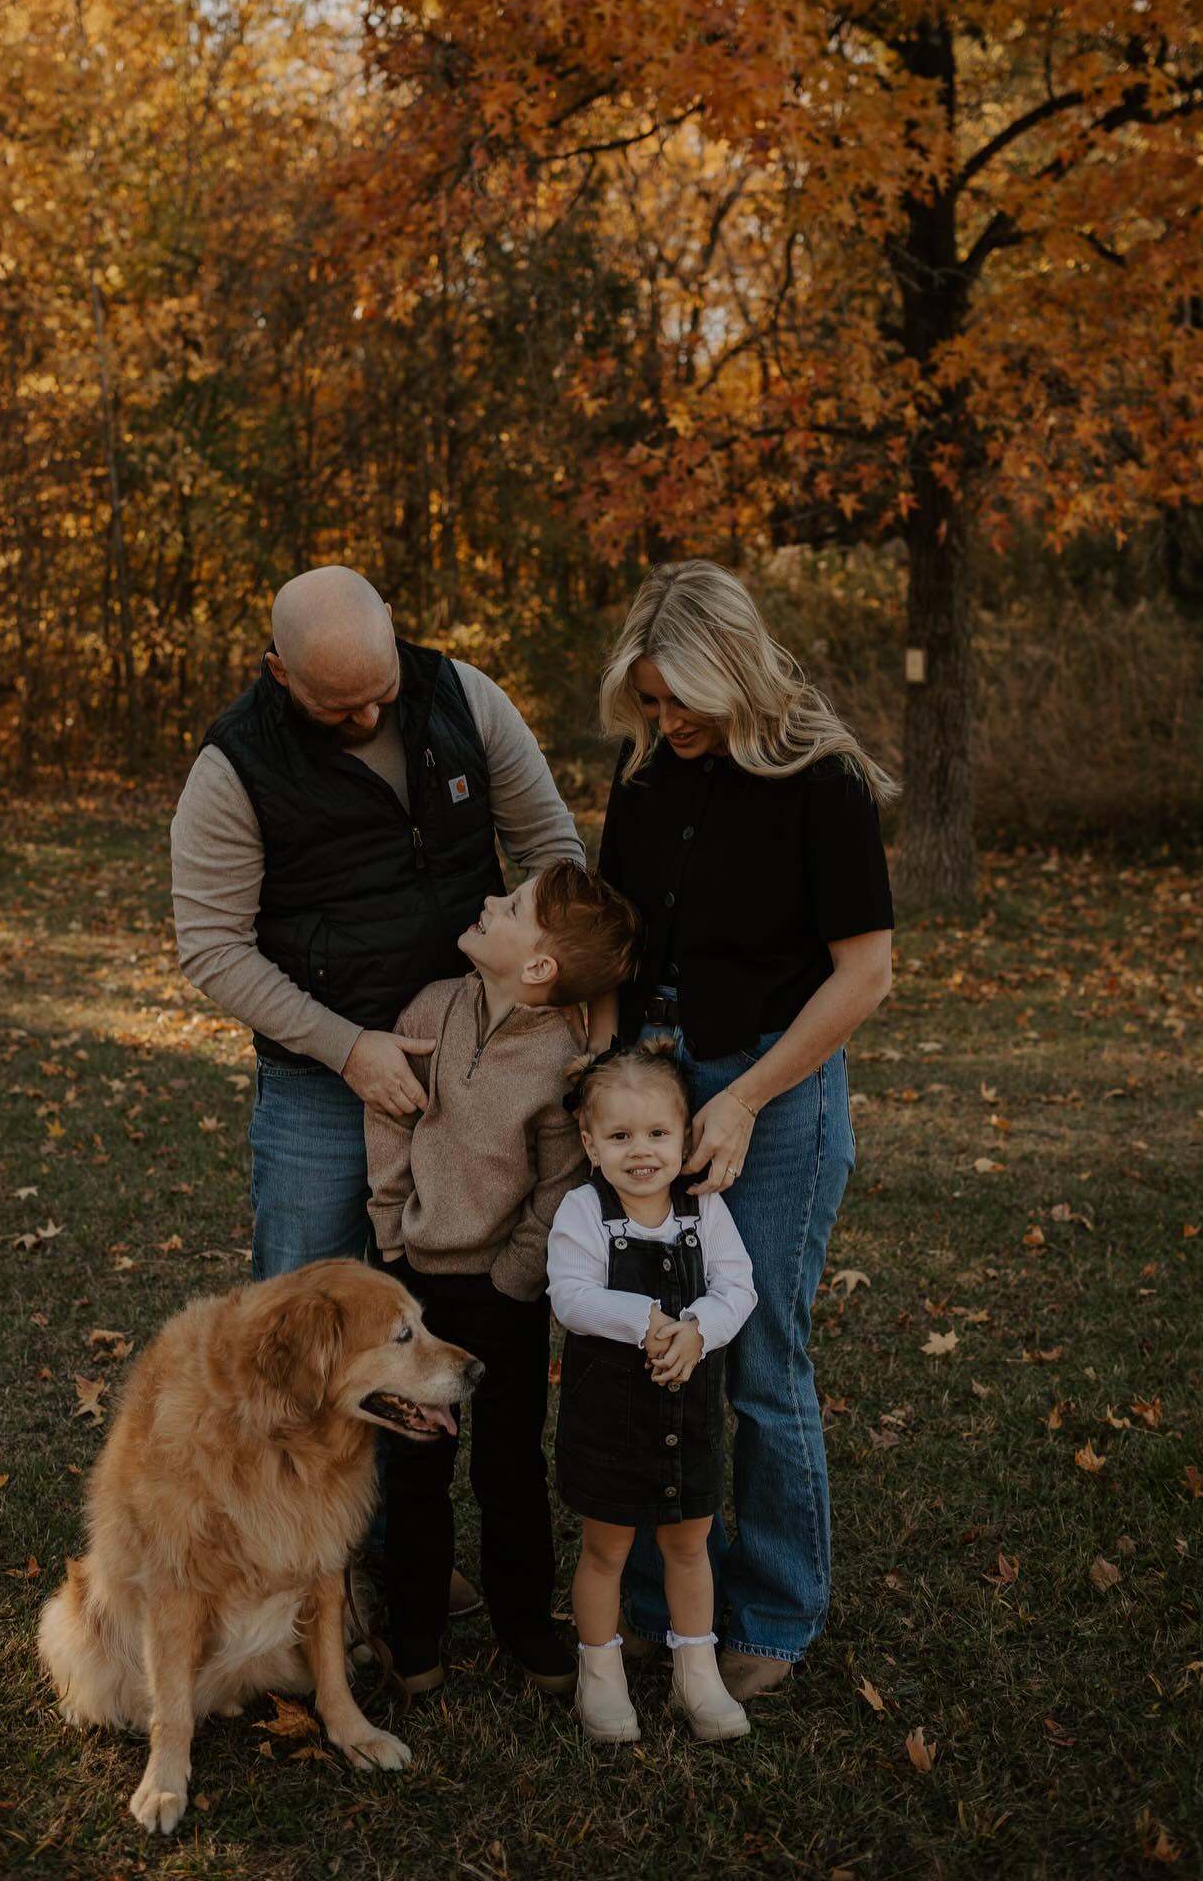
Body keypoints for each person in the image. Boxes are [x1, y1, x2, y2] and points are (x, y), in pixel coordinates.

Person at [589, 558, 895, 1700]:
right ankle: (667, 1603)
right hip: (655, 1083)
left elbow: (864, 975)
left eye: (684, 703)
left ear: (739, 672)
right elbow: (621, 946)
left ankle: (775, 1607)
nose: (666, 723)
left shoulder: (823, 777)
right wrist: (614, 1084)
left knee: (756, 1354)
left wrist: (749, 1095)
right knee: (655, 1344)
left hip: (776, 1086)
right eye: (652, 701)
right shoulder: (644, 774)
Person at [171, 565, 584, 1282]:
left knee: (450, 1312)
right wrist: (349, 1048)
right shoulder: (235, 765)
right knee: (307, 1313)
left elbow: (552, 855)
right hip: (320, 1085)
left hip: (474, 1062)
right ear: (280, 670)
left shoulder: (465, 698)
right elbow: (212, 947)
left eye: (380, 694)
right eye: (338, 708)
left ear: (391, 624)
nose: (366, 719)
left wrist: (546, 992)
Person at [365, 862, 642, 1697]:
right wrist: (390, 1236)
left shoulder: (560, 1057)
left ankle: (526, 1629)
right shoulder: (427, 1010)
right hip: (417, 1291)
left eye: (512, 905)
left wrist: (516, 1276)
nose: (488, 899)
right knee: (414, 1469)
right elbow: (388, 1122)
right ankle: (414, 1638)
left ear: (539, 970)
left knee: (510, 1471)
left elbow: (560, 1182)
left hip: (504, 1296)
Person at [548, 1037, 757, 1743]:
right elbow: (571, 1299)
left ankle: (694, 1674)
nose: (642, 1151)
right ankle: (599, 1673)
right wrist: (650, 1321)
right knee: (605, 1550)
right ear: (590, 1139)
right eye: (620, 1135)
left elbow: (739, 1287)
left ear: (686, 1133)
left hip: (687, 1417)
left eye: (658, 1133)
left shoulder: (704, 1212)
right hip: (610, 1420)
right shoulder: (584, 1211)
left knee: (690, 1546)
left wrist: (696, 1330)